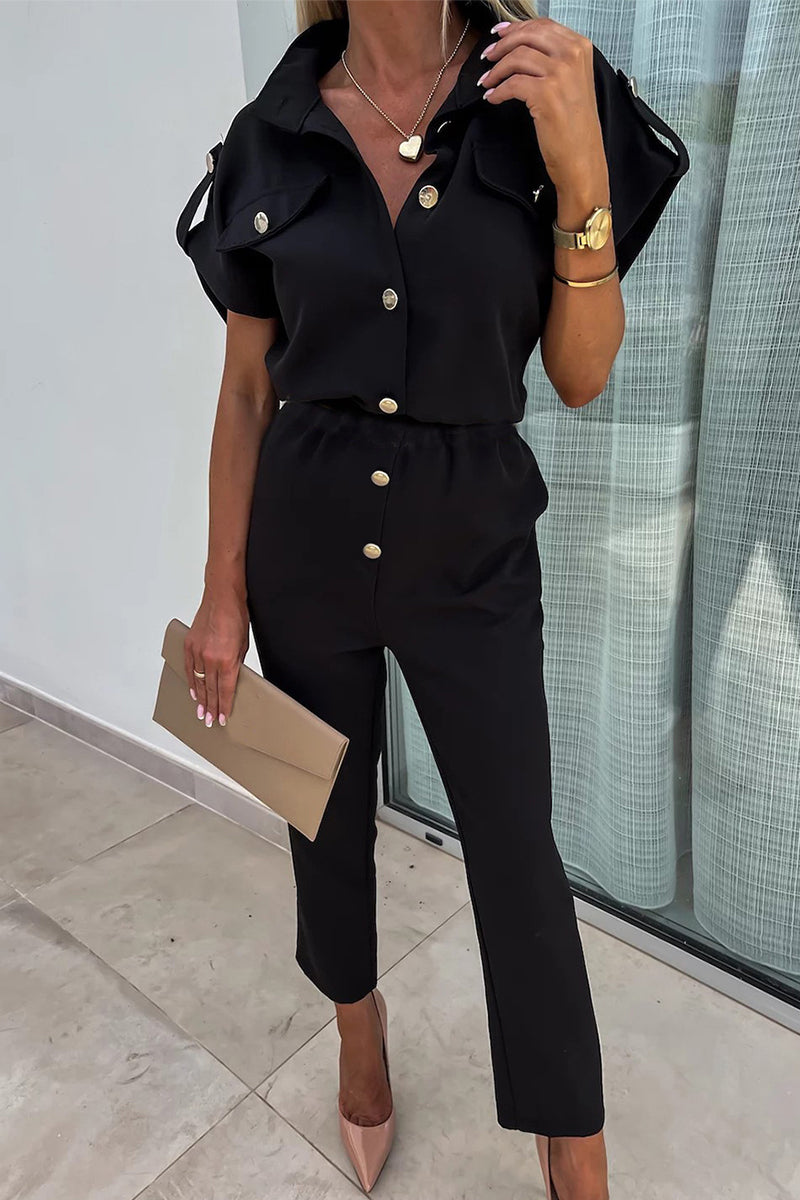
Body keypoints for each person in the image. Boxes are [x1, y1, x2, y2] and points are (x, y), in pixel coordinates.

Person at [175, 0, 689, 1194]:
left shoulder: (544, 92)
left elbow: (579, 375)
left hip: (472, 550)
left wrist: (578, 168)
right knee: (320, 812)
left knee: (515, 849)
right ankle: (357, 1034)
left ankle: (572, 1136)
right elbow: (247, 389)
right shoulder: (272, 131)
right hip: (303, 538)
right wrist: (220, 592)